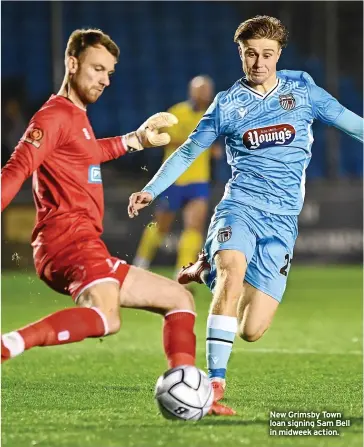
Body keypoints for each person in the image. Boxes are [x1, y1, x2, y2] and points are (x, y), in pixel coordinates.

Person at [128, 15, 364, 410]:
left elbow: (353, 124)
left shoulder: (303, 92)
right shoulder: (227, 104)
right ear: (240, 54)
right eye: (250, 54)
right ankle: (214, 385)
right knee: (233, 271)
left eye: (267, 55)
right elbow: (188, 151)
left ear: (279, 54)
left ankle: (206, 272)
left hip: (283, 221)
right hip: (240, 207)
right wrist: (151, 190)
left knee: (252, 329)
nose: (259, 63)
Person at [0, 27, 233, 416]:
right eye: (96, 69)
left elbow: (87, 153)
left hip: (84, 242)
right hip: (66, 241)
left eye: (109, 72)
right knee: (107, 318)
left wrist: (135, 140)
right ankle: (9, 345)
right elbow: (17, 169)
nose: (105, 80)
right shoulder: (55, 115)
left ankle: (191, 393)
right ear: (72, 64)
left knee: (179, 299)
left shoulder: (77, 116)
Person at [133, 75, 222, 279]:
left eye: (207, 90)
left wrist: (215, 148)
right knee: (161, 226)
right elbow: (164, 139)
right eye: (201, 90)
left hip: (199, 180)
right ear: (192, 92)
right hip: (174, 180)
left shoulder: (212, 116)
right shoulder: (177, 112)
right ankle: (141, 263)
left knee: (195, 225)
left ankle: (181, 273)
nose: (204, 94)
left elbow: (214, 143)